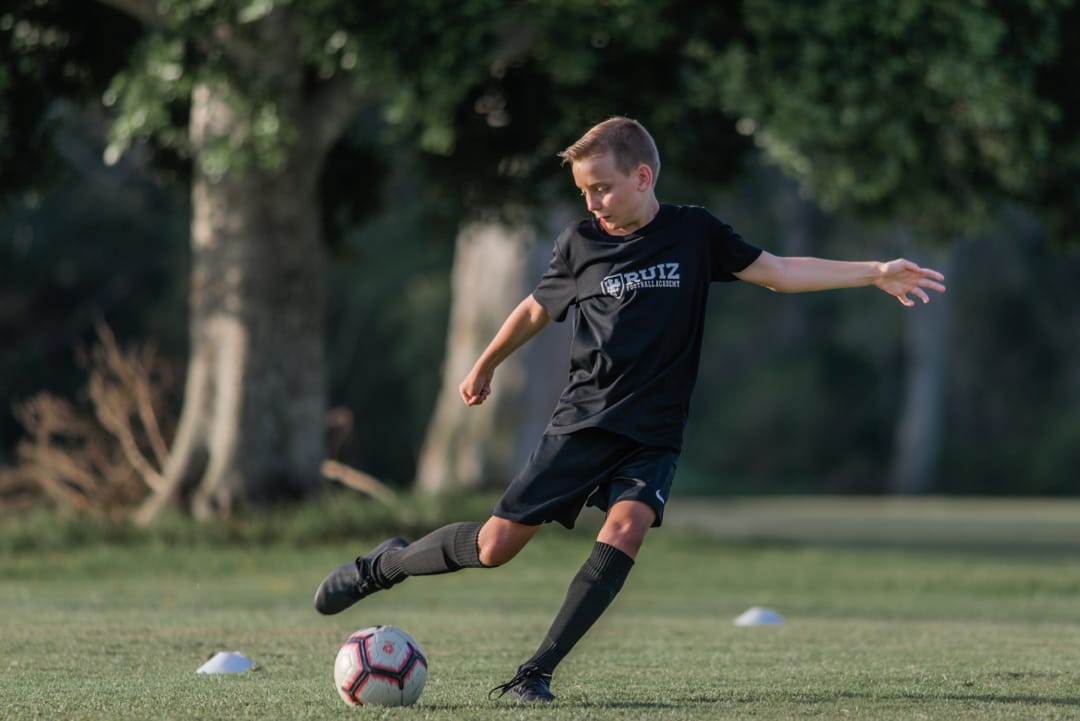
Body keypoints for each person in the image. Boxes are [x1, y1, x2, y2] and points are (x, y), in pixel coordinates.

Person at [314, 116, 946, 703]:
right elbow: (538, 307)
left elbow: (779, 271)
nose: (593, 203)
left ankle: (536, 672)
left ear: (643, 177)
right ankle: (383, 565)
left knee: (627, 529)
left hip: (654, 433)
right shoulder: (580, 243)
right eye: (585, 192)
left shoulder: (695, 232)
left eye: (603, 189)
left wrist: (873, 271)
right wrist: (487, 362)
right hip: (582, 423)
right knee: (495, 546)